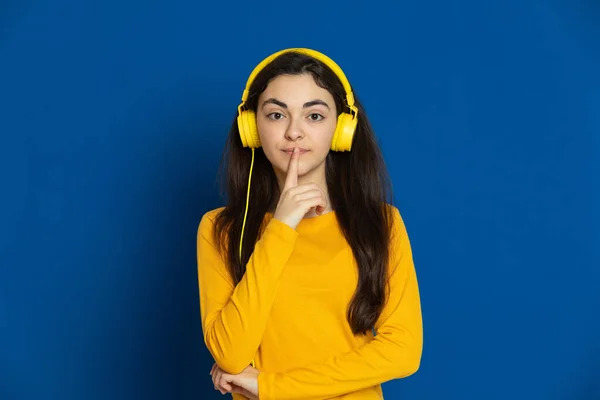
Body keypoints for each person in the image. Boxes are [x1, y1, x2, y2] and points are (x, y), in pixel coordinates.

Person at [196, 48, 423, 400]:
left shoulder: (382, 223)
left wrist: (274, 388)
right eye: (276, 115)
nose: (294, 133)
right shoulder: (220, 228)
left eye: (314, 116)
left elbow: (402, 351)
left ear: (342, 128)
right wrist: (281, 228)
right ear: (251, 126)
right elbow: (229, 352)